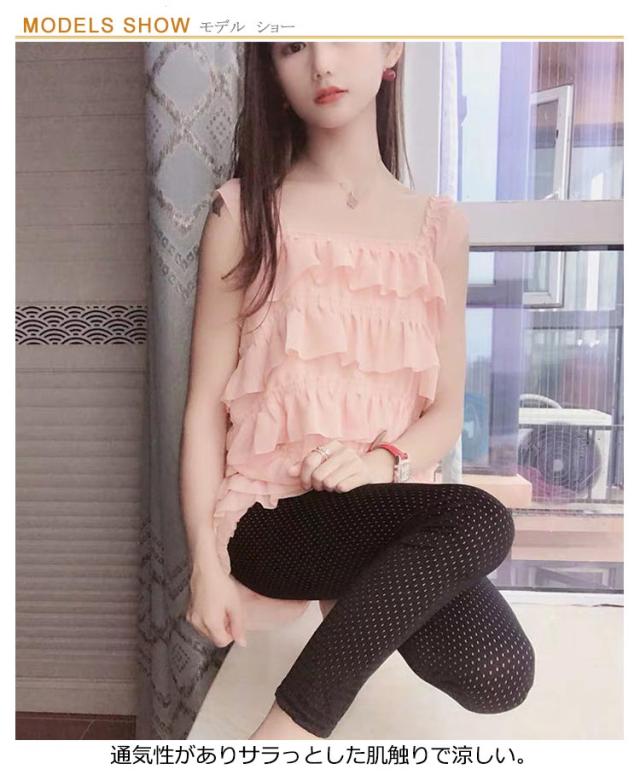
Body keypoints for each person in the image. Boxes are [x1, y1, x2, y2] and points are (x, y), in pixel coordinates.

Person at [181, 41, 535, 740]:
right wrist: (203, 565)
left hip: (380, 508)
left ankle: (349, 587)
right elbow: (201, 412)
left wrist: (378, 462)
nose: (321, 63)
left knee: (499, 672)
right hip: (271, 517)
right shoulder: (244, 212)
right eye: (292, 46)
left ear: (391, 46)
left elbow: (445, 413)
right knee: (482, 518)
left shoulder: (440, 228)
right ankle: (285, 736)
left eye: (341, 32)